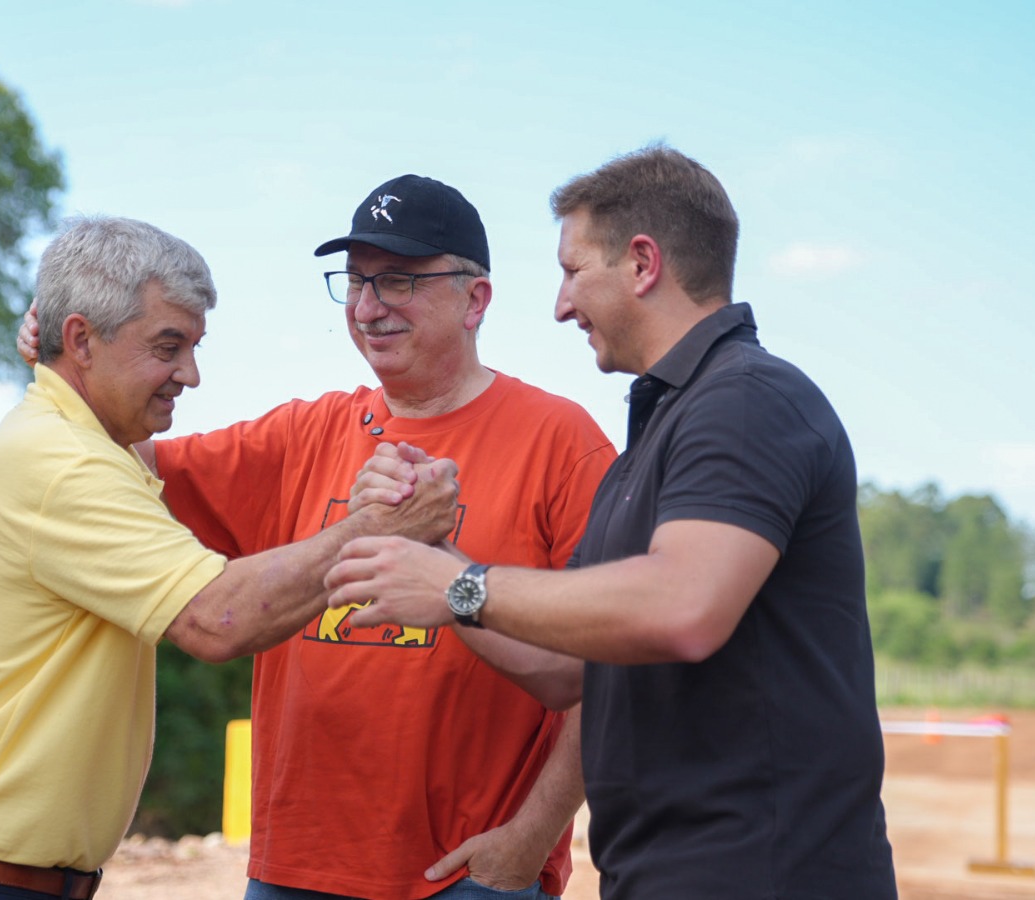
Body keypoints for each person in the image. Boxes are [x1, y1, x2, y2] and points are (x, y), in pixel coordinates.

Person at [20, 175, 616, 899]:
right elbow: (122, 456)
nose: (368, 307)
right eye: (356, 282)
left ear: (476, 298)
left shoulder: (562, 443)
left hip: (466, 878)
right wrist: (66, 358)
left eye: (397, 279)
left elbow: (612, 669)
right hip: (294, 873)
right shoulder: (303, 434)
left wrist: (526, 842)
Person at [326, 146, 898, 898]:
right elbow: (567, 673)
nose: (561, 304)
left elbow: (684, 608)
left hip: (762, 873)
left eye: (572, 270)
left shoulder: (749, 401)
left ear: (642, 263)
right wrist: (433, 552)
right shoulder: (664, 431)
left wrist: (462, 585)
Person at [0, 216, 461, 900]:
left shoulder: (85, 444)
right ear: (81, 340)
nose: (189, 374)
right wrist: (377, 527)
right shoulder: (64, 464)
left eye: (192, 346)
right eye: (167, 346)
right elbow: (218, 620)